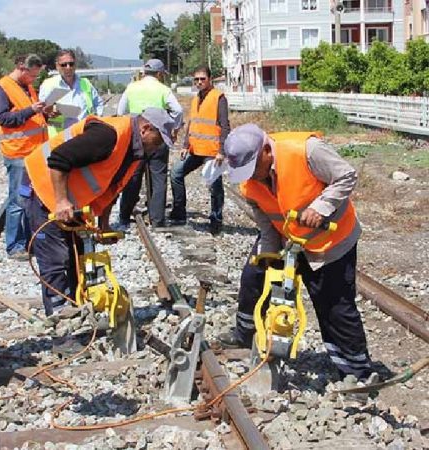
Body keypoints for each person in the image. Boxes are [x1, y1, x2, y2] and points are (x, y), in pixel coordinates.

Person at [218, 123, 373, 380]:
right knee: (253, 278)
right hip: (287, 238)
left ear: (266, 150)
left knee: (334, 305)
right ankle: (245, 334)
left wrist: (321, 207)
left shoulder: (306, 150)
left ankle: (357, 371)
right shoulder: (251, 185)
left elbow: (346, 175)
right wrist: (268, 258)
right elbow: (266, 223)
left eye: (254, 168)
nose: (252, 177)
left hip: (331, 241)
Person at [22, 108, 178, 315]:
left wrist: (103, 225)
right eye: (157, 141)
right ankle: (63, 333)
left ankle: (77, 314)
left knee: (76, 258)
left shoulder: (133, 151)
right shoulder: (109, 136)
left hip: (69, 198)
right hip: (42, 190)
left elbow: (111, 189)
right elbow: (58, 158)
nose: (157, 148)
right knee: (57, 260)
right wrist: (61, 201)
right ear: (146, 129)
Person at [0, 54, 51, 260]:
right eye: (32, 75)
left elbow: (30, 117)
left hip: (33, 153)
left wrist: (45, 113)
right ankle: (15, 245)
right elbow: (4, 118)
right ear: (21, 68)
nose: (33, 79)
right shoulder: (2, 88)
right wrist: (30, 110)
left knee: (31, 199)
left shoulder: (26, 87)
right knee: (18, 200)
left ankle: (28, 241)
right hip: (18, 153)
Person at [115, 59, 183, 229]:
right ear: (159, 74)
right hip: (158, 136)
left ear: (144, 72)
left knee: (132, 176)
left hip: (136, 136)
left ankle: (124, 216)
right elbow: (179, 110)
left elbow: (120, 111)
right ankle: (157, 219)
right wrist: (172, 127)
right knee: (158, 178)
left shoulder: (132, 87)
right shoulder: (163, 89)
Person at [170, 66, 230, 235]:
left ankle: (216, 219)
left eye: (202, 79)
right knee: (176, 173)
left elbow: (225, 126)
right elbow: (192, 124)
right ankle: (179, 213)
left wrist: (222, 151)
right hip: (195, 150)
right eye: (196, 79)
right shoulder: (196, 98)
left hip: (212, 152)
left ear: (209, 79)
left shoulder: (219, 98)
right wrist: (185, 145)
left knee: (214, 186)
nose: (199, 82)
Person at [39, 49, 103, 137]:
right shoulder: (48, 85)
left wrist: (97, 120)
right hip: (60, 139)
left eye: (71, 64)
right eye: (64, 65)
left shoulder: (85, 83)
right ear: (57, 66)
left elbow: (98, 104)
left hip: (85, 135)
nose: (68, 67)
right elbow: (41, 112)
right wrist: (50, 113)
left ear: (75, 65)